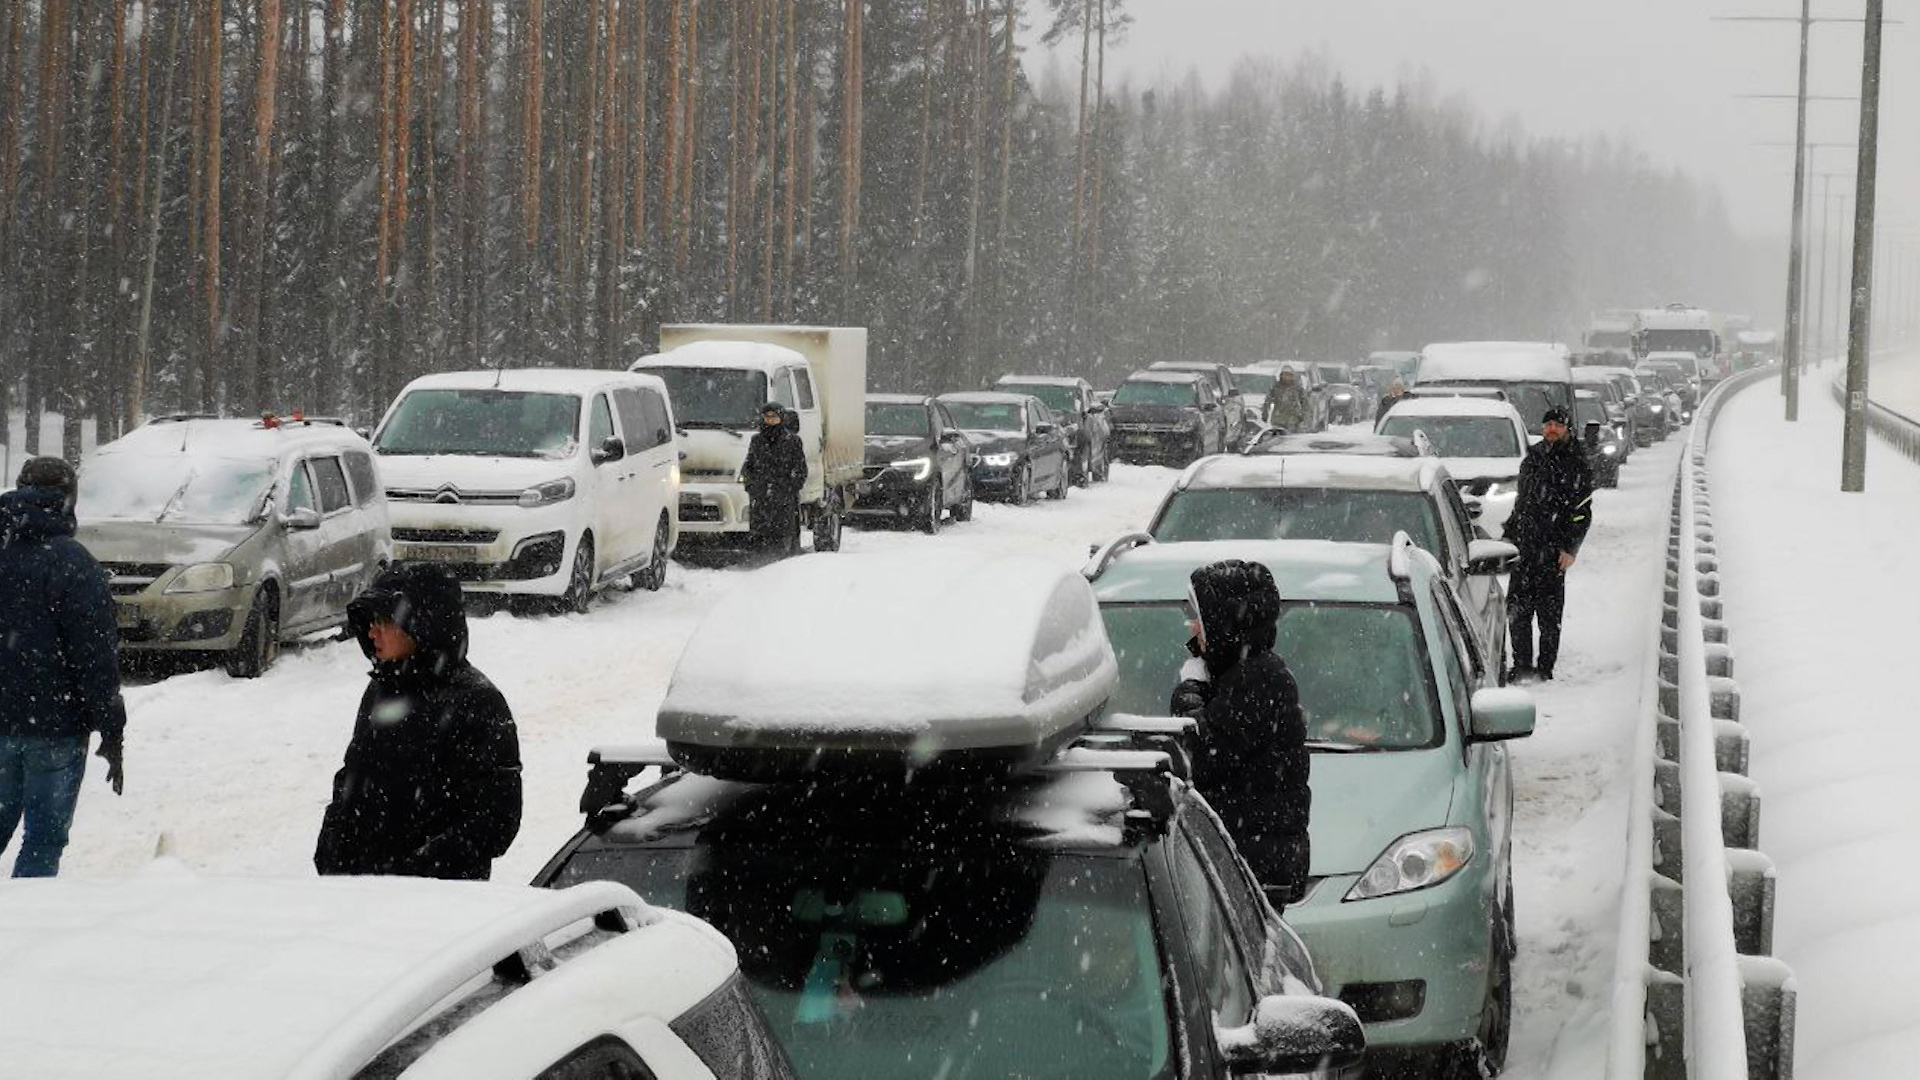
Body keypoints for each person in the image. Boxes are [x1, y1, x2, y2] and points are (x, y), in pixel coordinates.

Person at [315, 562, 521, 879]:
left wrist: (417, 871)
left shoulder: (478, 702)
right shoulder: (382, 690)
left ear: (423, 624)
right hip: (358, 897)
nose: (372, 632)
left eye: (385, 621)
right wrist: (334, 850)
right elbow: (354, 777)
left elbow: (495, 818)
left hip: (437, 903)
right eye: (370, 622)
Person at [0, 457, 126, 877]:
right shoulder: (73, 563)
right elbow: (95, 658)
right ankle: (31, 929)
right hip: (55, 724)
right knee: (43, 839)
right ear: (68, 500)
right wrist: (111, 728)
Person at [1168, 559, 1311, 905]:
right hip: (1246, 859)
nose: (1192, 627)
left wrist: (1189, 693)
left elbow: (1202, 756)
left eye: (1199, 617)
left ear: (1222, 624)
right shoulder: (1239, 672)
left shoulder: (1257, 679)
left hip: (1251, 868)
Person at [1504, 407, 1594, 683]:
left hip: (1554, 550)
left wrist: (1570, 548)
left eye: (1557, 425)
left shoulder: (1576, 462)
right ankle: (1521, 665)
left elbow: (1581, 512)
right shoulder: (1532, 458)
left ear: (1566, 429)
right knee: (1518, 612)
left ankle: (1544, 668)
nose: (1552, 429)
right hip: (1525, 548)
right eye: (1548, 425)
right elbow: (1522, 503)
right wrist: (1510, 533)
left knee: (1548, 615)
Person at [741, 401, 808, 556]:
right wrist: (751, 486)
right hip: (761, 496)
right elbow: (748, 465)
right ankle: (761, 560)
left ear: (781, 418)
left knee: (784, 532)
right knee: (760, 532)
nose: (770, 420)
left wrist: (790, 488)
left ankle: (783, 562)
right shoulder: (757, 441)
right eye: (767, 417)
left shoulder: (792, 441)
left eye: (774, 416)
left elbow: (800, 468)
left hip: (784, 497)